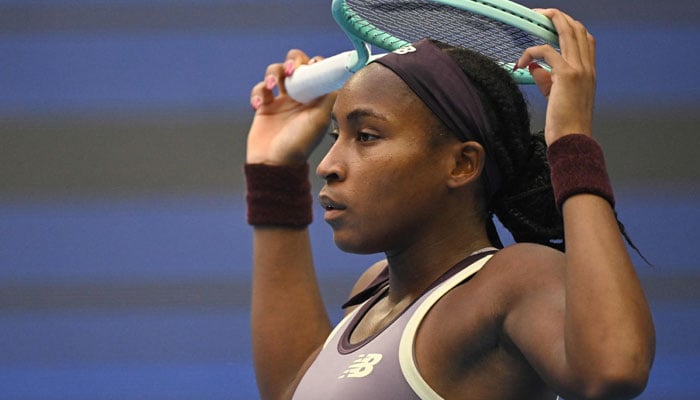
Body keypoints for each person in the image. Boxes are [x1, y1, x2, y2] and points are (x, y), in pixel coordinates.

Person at [244, 8, 655, 400]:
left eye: (366, 136)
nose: (328, 166)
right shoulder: (373, 289)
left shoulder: (515, 279)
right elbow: (292, 391)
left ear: (462, 164)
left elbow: (613, 368)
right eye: (336, 137)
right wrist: (273, 168)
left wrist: (570, 141)